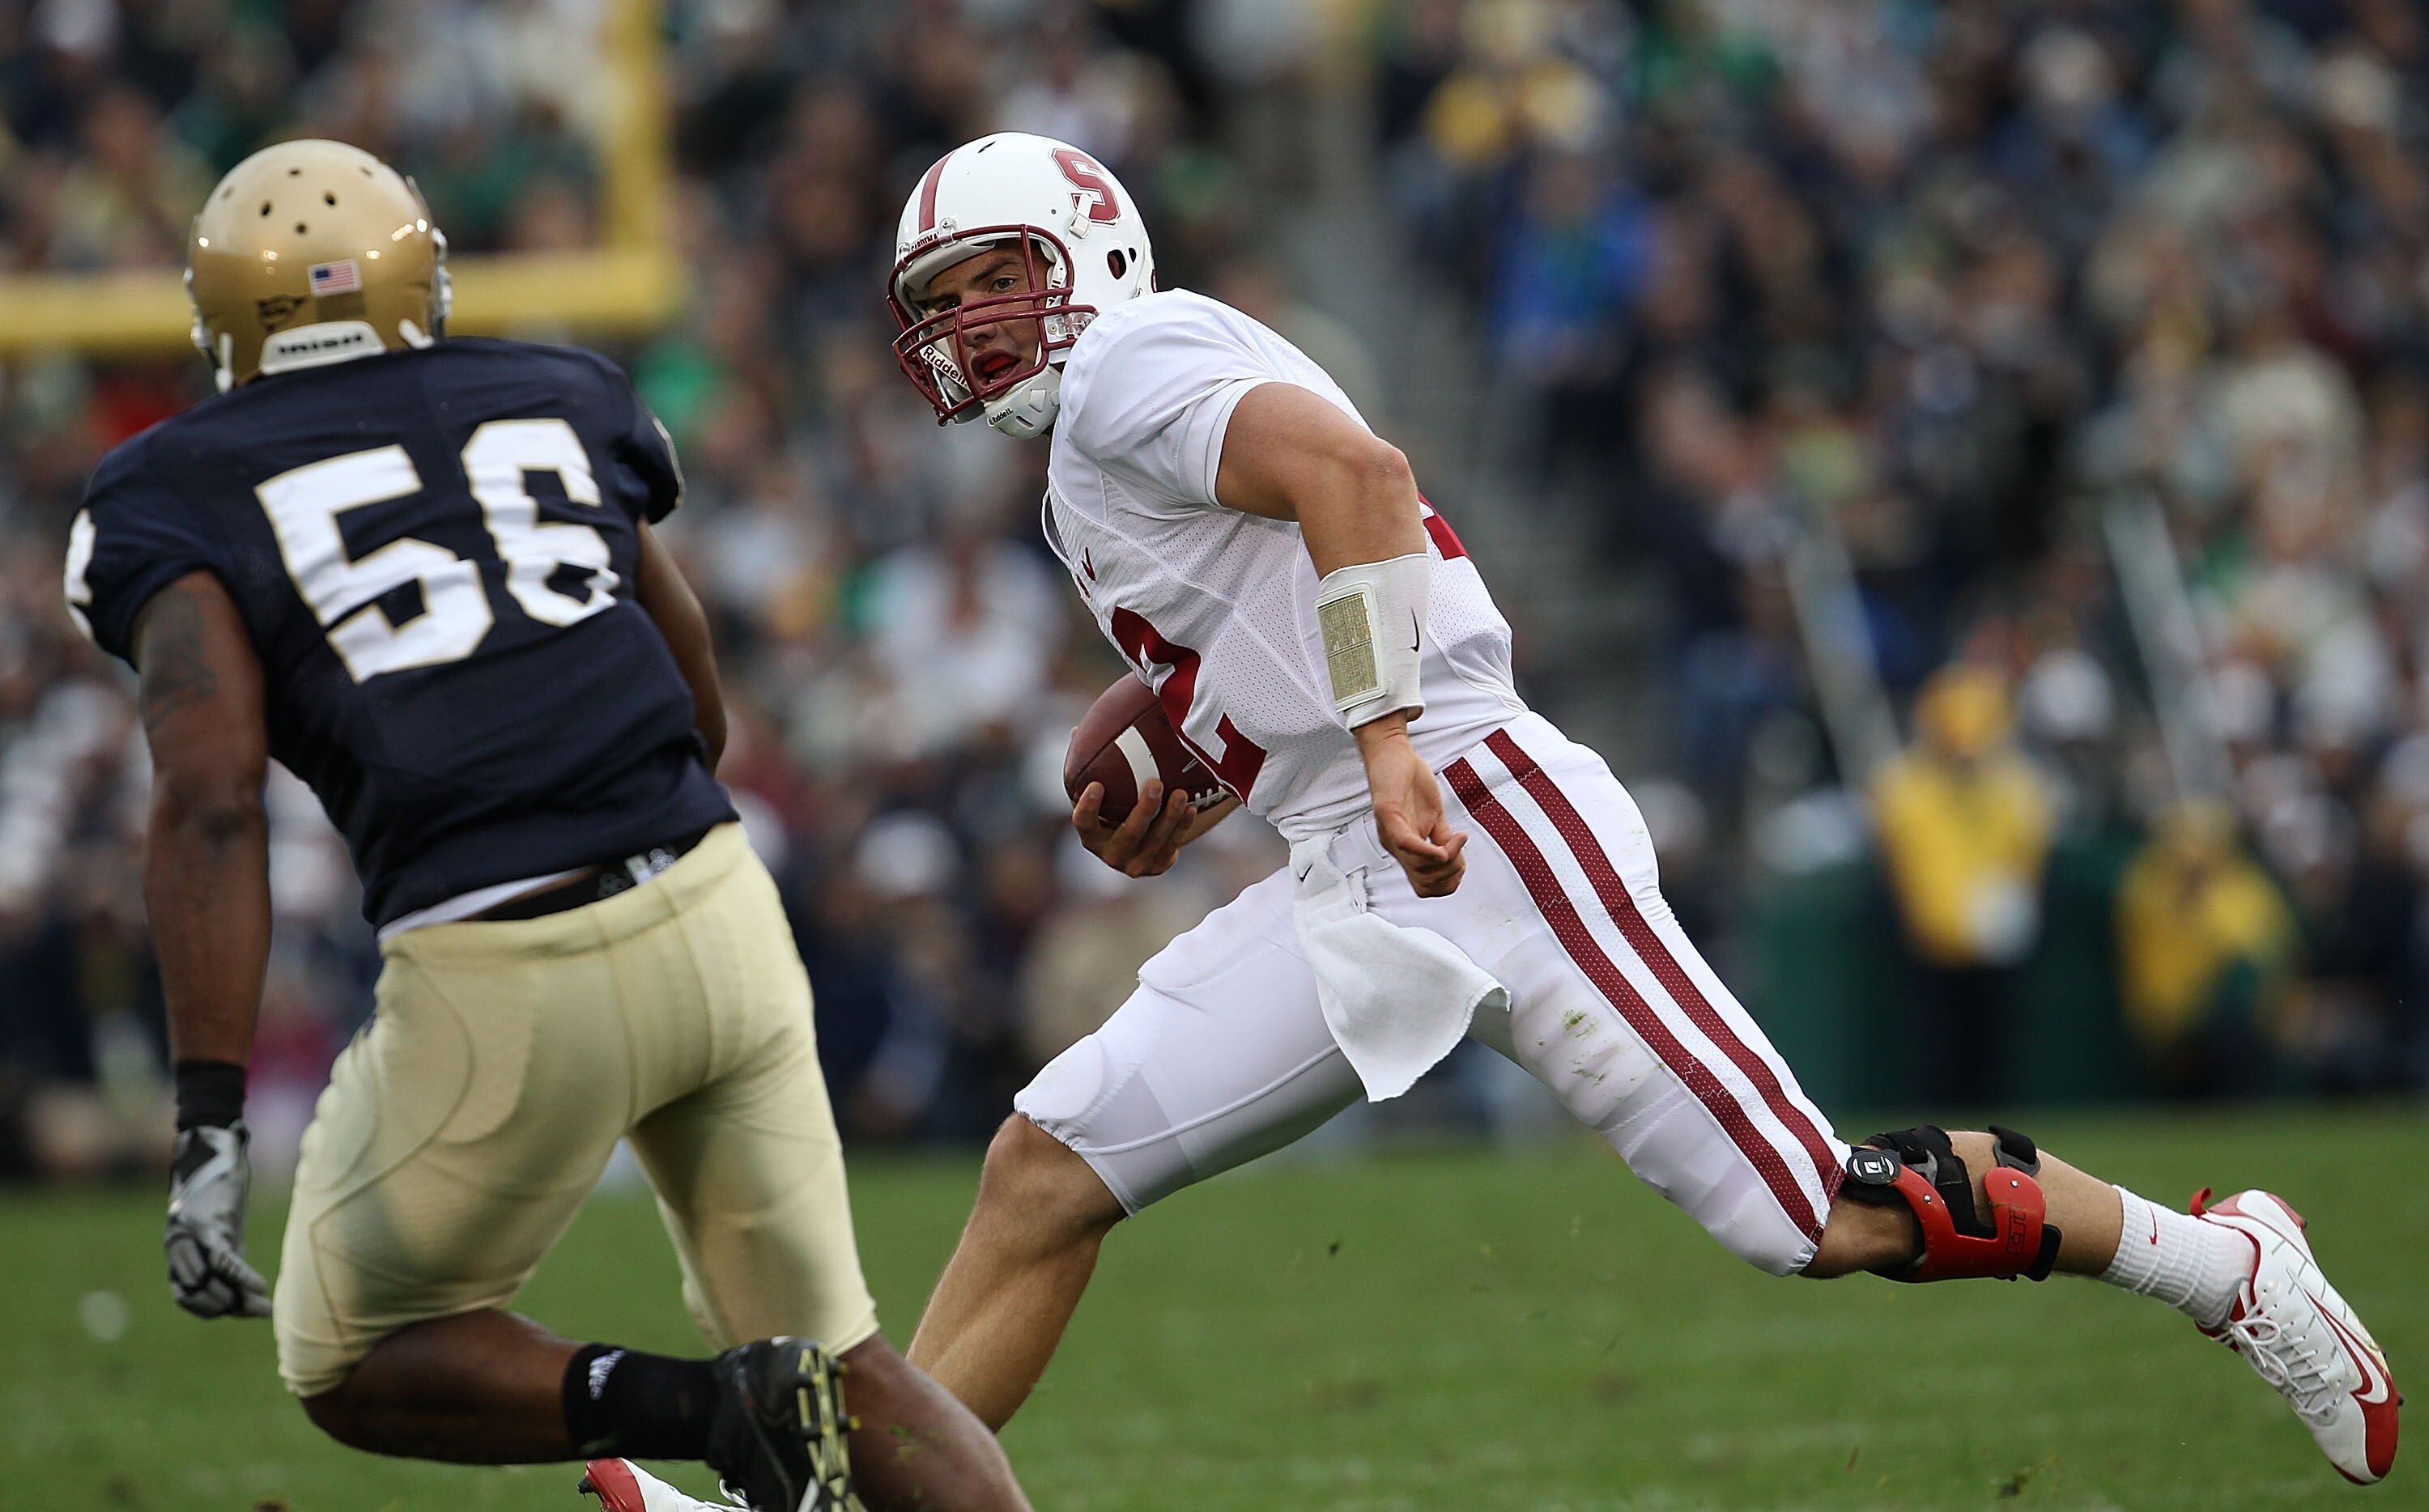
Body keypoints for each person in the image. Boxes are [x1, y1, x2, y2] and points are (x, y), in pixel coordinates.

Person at [876, 132, 2399, 1487]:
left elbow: (1362, 477)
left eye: (992, 279)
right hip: (1357, 860)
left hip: (1482, 818)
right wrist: (1214, 760)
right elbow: (1278, 608)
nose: (967, 325)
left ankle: (2228, 1264)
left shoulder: (1136, 364)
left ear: (1091, 246)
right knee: (1045, 1170)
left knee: (1814, 1217)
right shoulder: (1084, 462)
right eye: (939, 306)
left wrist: (1388, 733)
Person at [68, 139, 1030, 1512]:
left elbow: (211, 798)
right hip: (713, 901)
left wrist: (212, 1121)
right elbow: (694, 686)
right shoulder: (556, 391)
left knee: (348, 1354)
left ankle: (696, 1411)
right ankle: (759, 1399)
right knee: (852, 1366)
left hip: (501, 952)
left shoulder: (173, 485)